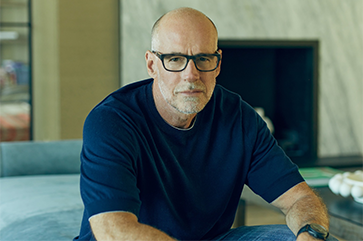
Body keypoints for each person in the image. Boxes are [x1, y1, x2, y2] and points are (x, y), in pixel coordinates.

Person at [74, 7, 338, 241]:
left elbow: (300, 199)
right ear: (152, 65)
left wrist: (311, 233)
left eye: (203, 59)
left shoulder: (240, 118)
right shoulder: (111, 121)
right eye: (175, 59)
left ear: (218, 63)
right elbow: (113, 231)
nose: (192, 75)